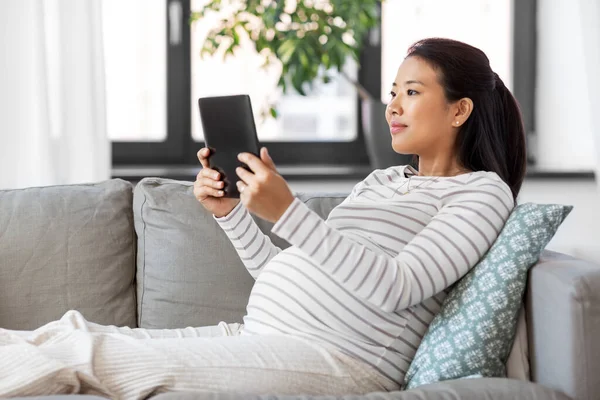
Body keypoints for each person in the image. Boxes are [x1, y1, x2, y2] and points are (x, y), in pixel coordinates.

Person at [0, 37, 526, 399]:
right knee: (68, 331)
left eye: (412, 92)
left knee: (91, 356)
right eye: (393, 92)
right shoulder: (383, 181)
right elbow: (290, 271)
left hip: (339, 361)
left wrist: (289, 212)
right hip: (263, 335)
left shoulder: (482, 193)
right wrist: (234, 213)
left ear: (459, 110)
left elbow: (398, 286)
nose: (393, 105)